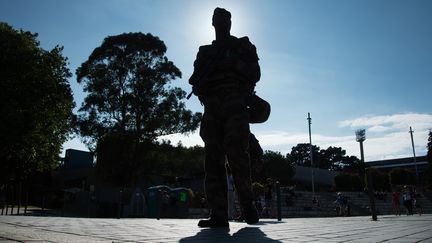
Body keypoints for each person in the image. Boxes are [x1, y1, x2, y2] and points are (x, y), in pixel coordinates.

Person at [189, 7, 261, 228]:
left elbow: (255, 73)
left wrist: (233, 64)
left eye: (225, 19)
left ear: (231, 22)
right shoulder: (204, 52)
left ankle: (248, 205)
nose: (221, 22)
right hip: (212, 108)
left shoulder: (242, 46)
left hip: (235, 105)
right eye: (217, 19)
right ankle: (218, 214)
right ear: (212, 23)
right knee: (213, 160)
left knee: (237, 155)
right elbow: (196, 81)